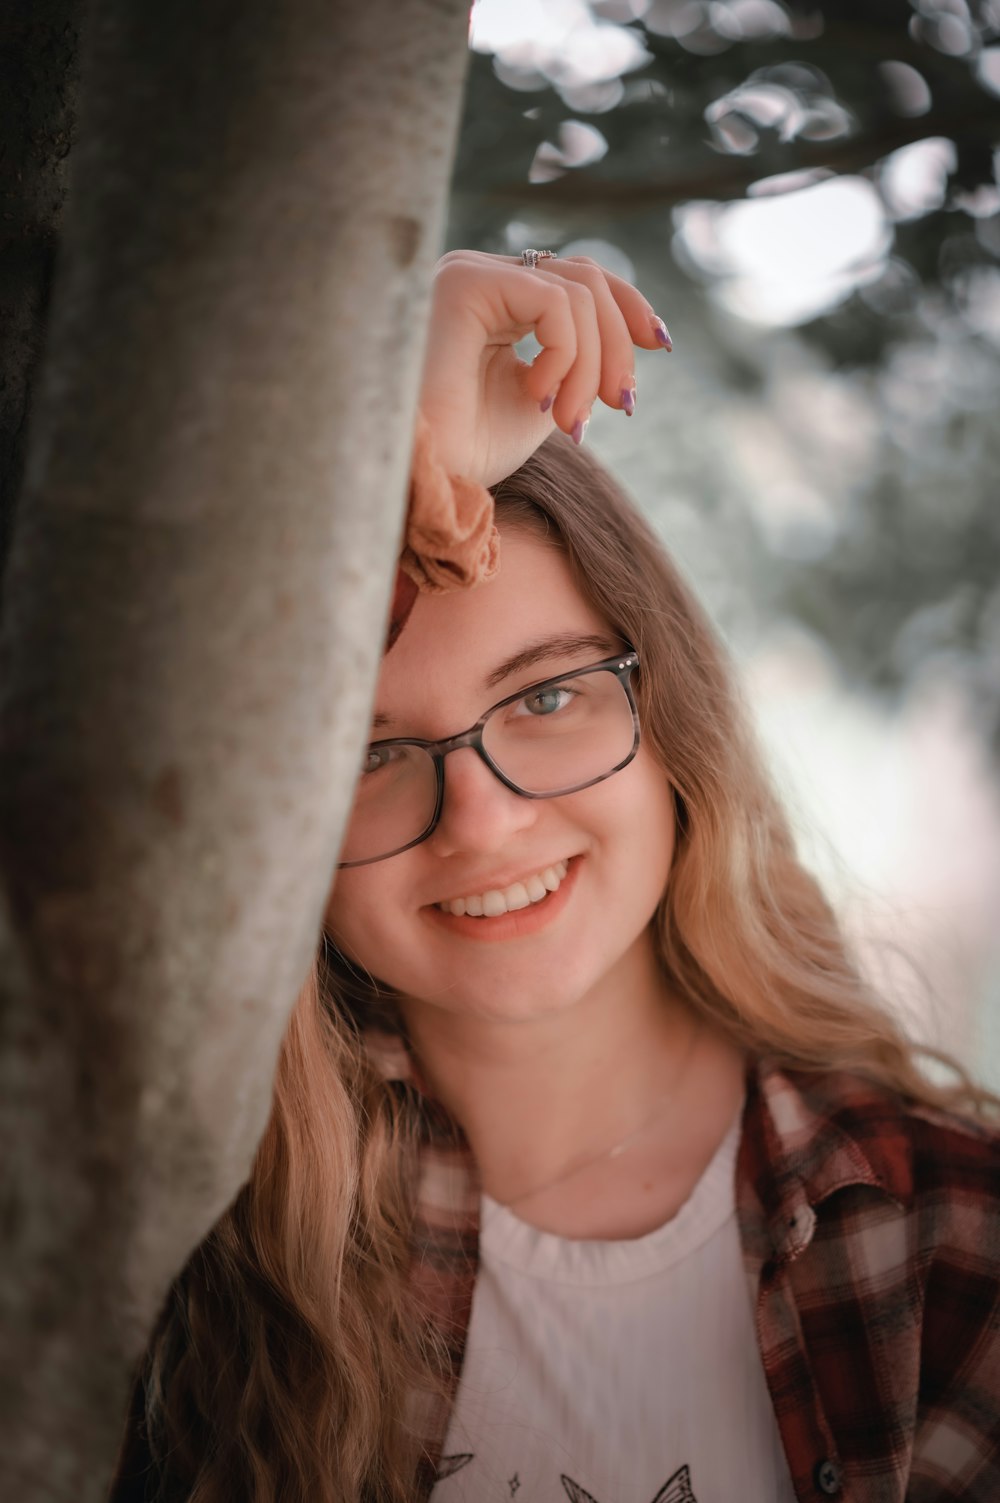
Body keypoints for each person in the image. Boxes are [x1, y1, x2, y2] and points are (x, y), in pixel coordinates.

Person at [111, 252, 1000, 1503]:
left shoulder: (955, 1239)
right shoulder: (192, 1250)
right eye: (364, 750)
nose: (479, 818)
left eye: (544, 695)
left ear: (672, 722)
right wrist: (386, 439)